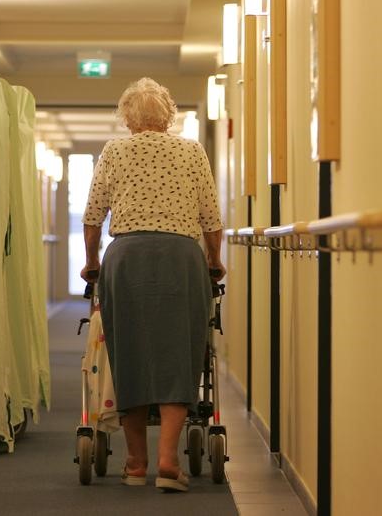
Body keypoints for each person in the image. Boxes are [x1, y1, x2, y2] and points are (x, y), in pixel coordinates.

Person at [80, 77, 226, 493]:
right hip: (181, 260)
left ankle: (134, 463)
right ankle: (167, 462)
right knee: (180, 351)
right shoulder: (191, 150)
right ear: (169, 115)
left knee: (128, 354)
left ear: (127, 117)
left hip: (126, 259)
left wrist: (92, 262)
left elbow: (93, 217)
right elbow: (211, 219)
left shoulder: (115, 150)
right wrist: (214, 261)